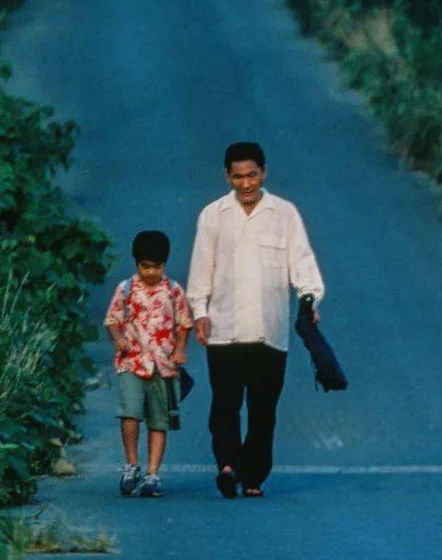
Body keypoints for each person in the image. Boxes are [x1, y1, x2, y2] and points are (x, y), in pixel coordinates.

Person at [187, 142, 324, 499]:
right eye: (237, 177)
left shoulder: (284, 214)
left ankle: (253, 476)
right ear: (227, 176)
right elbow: (201, 270)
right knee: (225, 402)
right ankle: (228, 466)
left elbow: (302, 263)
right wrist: (199, 313)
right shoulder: (213, 215)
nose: (245, 184)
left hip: (270, 330)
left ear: (263, 173)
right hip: (224, 328)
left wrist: (309, 299)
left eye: (251, 175)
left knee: (263, 409)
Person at [104, 230, 193, 498]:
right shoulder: (126, 289)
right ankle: (131, 465)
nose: (151, 272)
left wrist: (180, 349)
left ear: (164, 264)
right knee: (130, 413)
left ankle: (153, 473)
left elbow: (184, 323)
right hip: (132, 361)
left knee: (159, 421)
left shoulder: (173, 290)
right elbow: (112, 320)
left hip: (163, 365)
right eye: (146, 266)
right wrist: (119, 338)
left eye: (157, 266)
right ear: (136, 263)